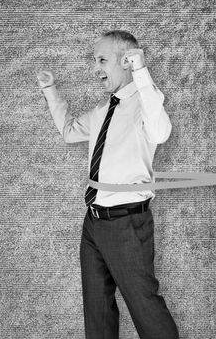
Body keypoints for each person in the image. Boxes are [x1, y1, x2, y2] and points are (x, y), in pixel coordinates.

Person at [37, 30, 179, 339]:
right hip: (93, 223)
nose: (95, 68)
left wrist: (142, 71)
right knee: (97, 312)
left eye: (102, 60)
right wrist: (50, 90)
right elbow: (69, 131)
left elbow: (161, 132)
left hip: (127, 222)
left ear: (127, 61)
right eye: (94, 60)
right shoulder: (104, 111)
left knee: (146, 309)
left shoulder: (146, 104)